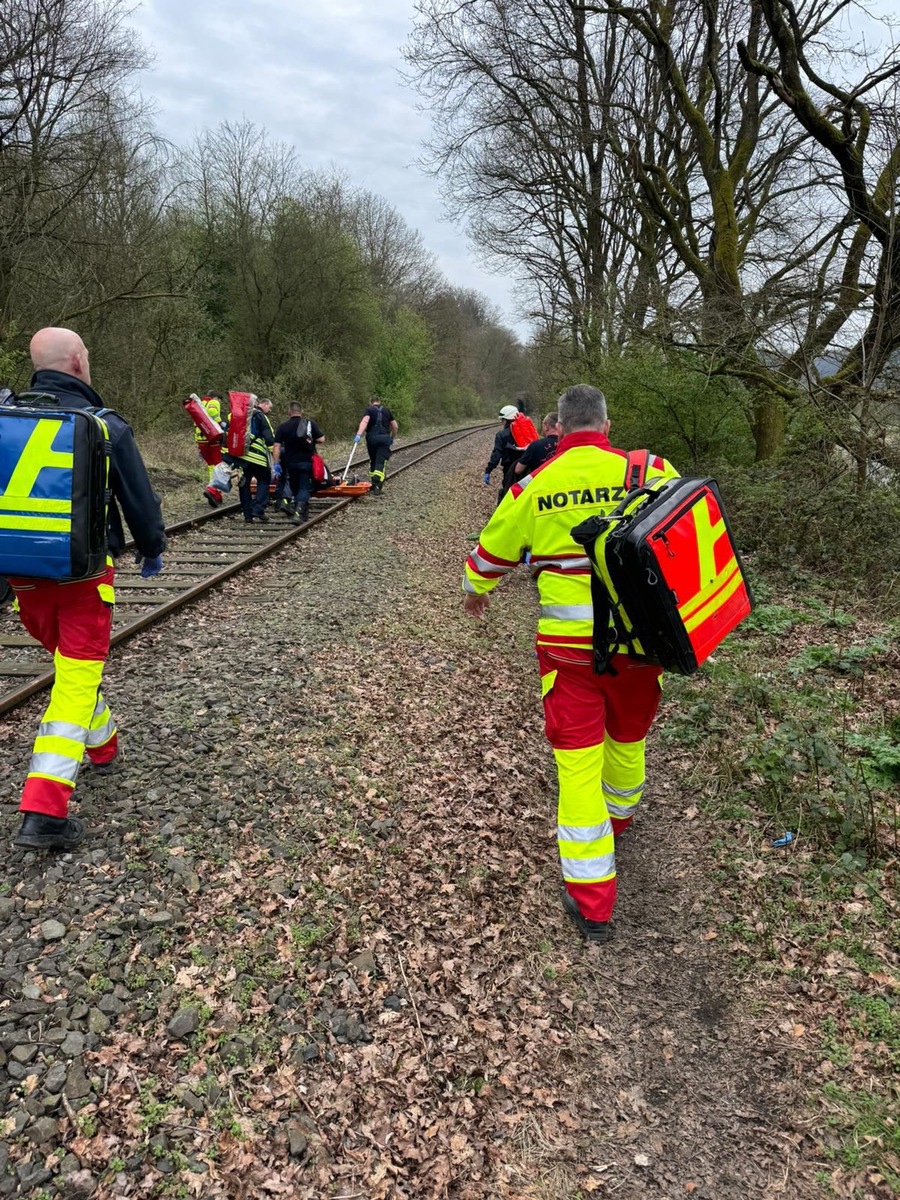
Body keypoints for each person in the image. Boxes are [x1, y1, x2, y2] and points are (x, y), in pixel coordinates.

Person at [462, 384, 678, 943]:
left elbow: (487, 558)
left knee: (578, 766)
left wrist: (475, 591)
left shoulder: (535, 485)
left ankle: (593, 901)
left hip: (568, 652)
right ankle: (620, 821)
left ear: (556, 429)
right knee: (628, 739)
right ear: (606, 426)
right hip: (639, 647)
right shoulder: (651, 471)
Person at [8, 327, 166, 851]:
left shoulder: (6, 420)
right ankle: (44, 811)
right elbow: (140, 503)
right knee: (74, 681)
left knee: (76, 671)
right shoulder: (103, 427)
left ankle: (103, 746)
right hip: (82, 581)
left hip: (23, 583)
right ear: (78, 362)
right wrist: (151, 546)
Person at [273, 402, 325, 523]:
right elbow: (321, 439)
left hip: (291, 463)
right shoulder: (309, 424)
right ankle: (299, 514)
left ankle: (297, 509)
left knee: (294, 487)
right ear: (301, 412)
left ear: (289, 412)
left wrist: (276, 464)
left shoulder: (283, 427)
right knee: (304, 488)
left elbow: (276, 446)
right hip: (307, 462)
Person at [237, 396, 275, 523]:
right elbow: (269, 437)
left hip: (242, 457)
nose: (269, 410)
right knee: (264, 480)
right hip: (257, 456)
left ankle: (247, 515)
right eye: (269, 408)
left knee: (244, 484)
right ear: (262, 404)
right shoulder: (261, 416)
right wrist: (275, 457)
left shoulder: (240, 416)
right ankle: (258, 509)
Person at [354, 395, 397, 494]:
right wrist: (392, 437)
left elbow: (365, 422)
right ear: (379, 401)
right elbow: (395, 426)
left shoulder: (369, 410)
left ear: (371, 402)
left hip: (372, 439)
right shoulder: (387, 410)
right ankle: (377, 486)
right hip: (384, 439)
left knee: (373, 461)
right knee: (380, 462)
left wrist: (358, 435)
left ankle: (374, 484)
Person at [484, 404, 524, 504]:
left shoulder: (501, 435)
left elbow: (496, 455)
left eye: (503, 420)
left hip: (509, 469)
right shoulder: (525, 432)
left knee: (509, 492)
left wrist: (488, 470)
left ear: (506, 419)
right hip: (525, 466)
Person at [513, 411, 560, 477]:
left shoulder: (535, 445)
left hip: (541, 484)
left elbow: (518, 470)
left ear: (546, 427)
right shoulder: (569, 444)